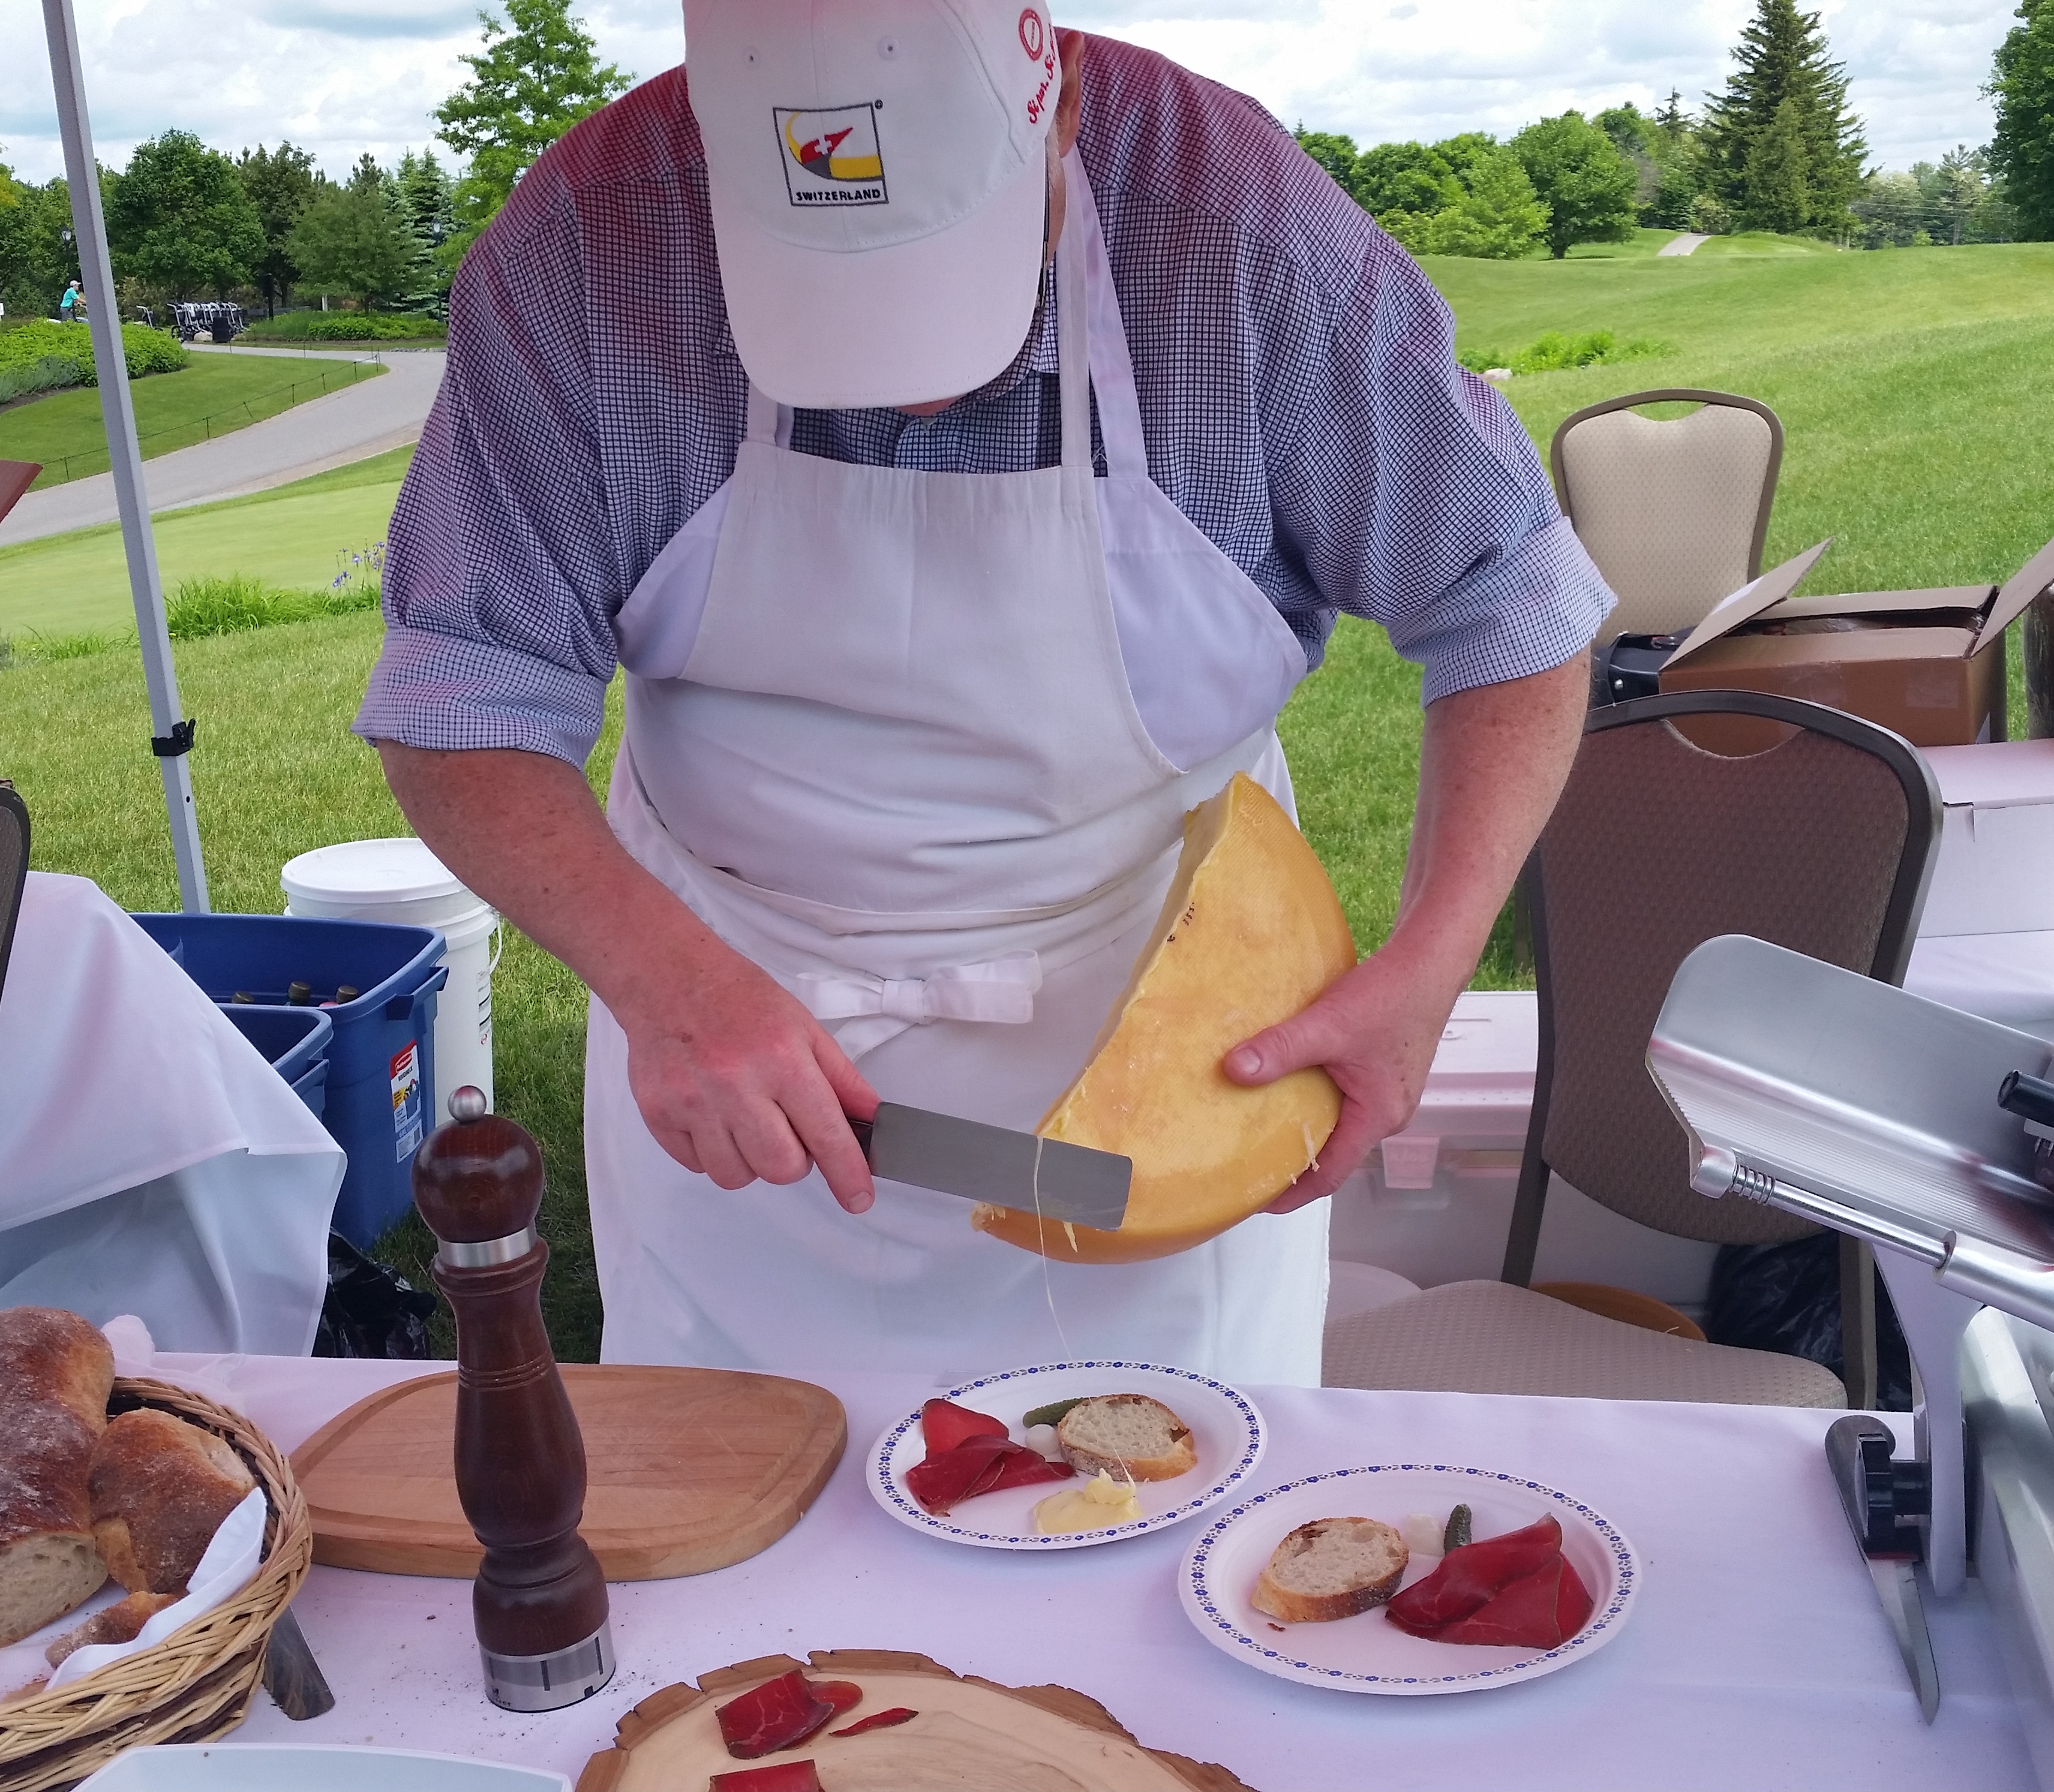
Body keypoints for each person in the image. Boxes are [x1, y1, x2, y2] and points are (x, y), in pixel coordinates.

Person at [359, 0, 1611, 1385]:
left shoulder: (1230, 222)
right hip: (735, 1065)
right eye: (818, 291)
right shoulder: (583, 242)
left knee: (1168, 1538)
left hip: (1164, 1070)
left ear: (1055, 94)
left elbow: (1505, 592)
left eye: (929, 275)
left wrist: (1425, 968)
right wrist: (658, 979)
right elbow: (461, 687)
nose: (894, 394)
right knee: (760, 1560)